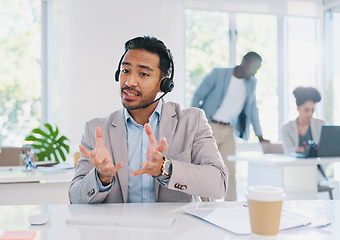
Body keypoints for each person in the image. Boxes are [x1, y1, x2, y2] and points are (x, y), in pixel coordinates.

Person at [69, 36, 228, 204]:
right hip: (118, 229)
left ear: (164, 84)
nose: (130, 82)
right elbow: (74, 198)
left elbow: (219, 184)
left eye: (143, 74)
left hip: (178, 228)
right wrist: (101, 178)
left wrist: (166, 168)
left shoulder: (191, 121)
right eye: (125, 71)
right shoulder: (96, 129)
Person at [191, 52, 269, 201]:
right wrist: (194, 123)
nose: (256, 73)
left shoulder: (251, 82)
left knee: (229, 172)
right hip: (209, 126)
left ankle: (232, 208)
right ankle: (207, 207)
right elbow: (198, 95)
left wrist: (260, 136)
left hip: (229, 131)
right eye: (255, 68)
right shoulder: (218, 74)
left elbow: (252, 109)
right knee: (208, 170)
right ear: (245, 63)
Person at [281, 87, 324, 155]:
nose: (310, 114)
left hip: (316, 164)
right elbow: (288, 150)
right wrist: (305, 149)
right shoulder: (287, 127)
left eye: (312, 110)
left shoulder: (321, 124)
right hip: (294, 165)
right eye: (306, 110)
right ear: (298, 108)